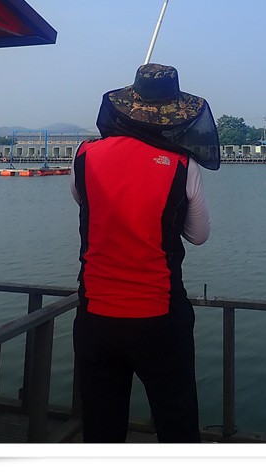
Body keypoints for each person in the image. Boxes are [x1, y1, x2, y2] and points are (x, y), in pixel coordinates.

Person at [70, 63, 220, 443]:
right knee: (176, 427)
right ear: (176, 116)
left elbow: (84, 201)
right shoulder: (182, 164)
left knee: (101, 432)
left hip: (95, 318)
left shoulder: (84, 156)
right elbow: (199, 235)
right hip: (160, 320)